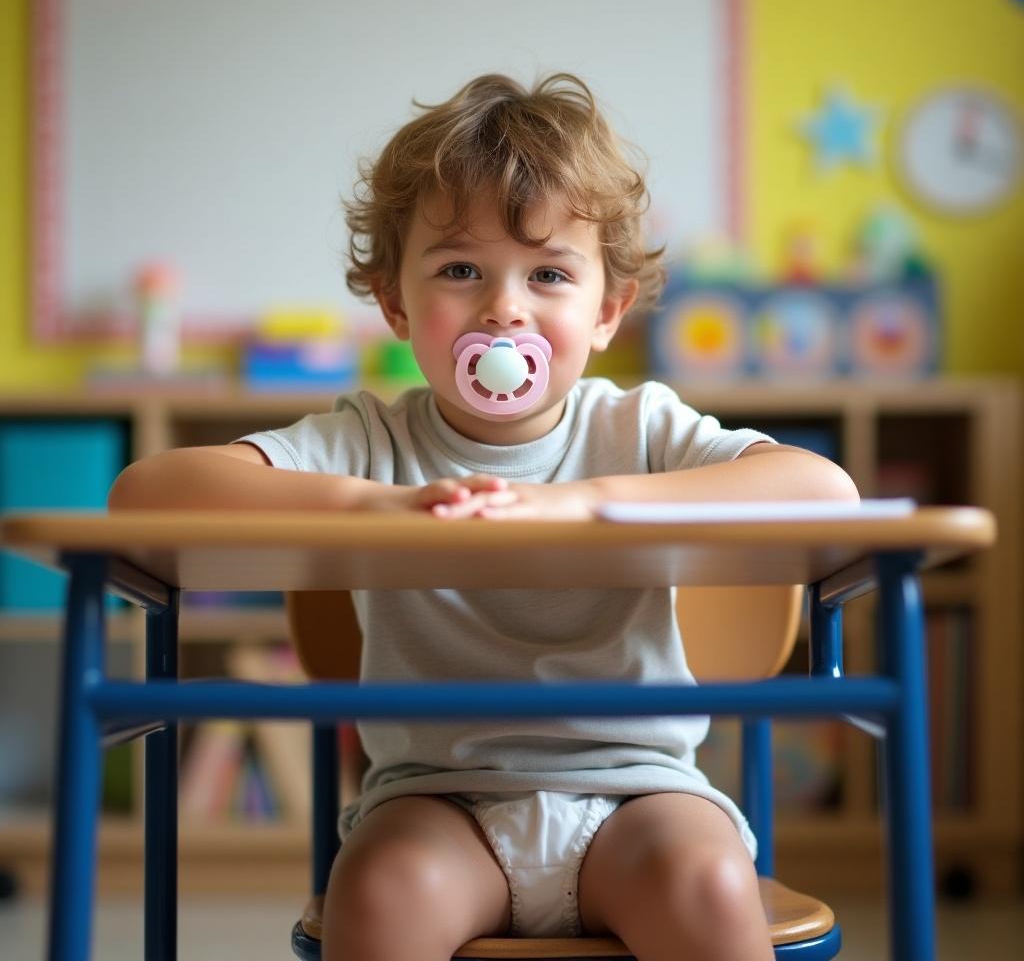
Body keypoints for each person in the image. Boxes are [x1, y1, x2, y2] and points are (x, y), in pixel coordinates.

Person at [108, 72, 859, 961]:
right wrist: (372, 508)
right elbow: (145, 497)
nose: (505, 307)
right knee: (380, 890)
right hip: (436, 807)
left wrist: (588, 503)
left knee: (706, 885)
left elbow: (825, 495)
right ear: (396, 303)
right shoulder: (369, 439)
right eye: (461, 270)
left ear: (606, 309)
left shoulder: (640, 428)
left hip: (642, 801)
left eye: (548, 273)